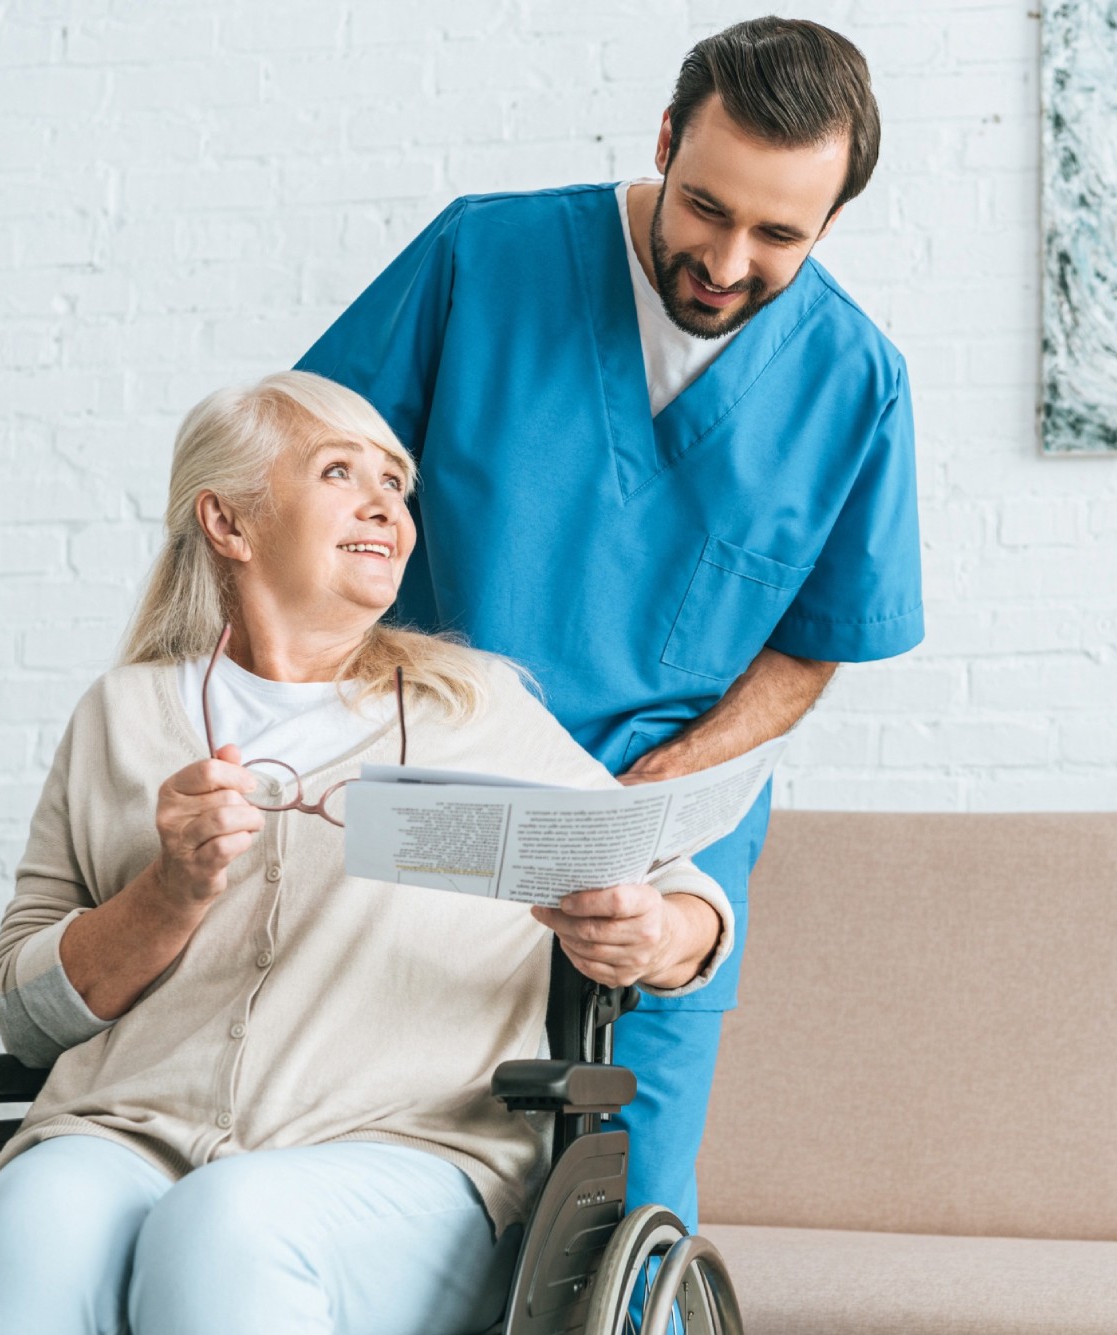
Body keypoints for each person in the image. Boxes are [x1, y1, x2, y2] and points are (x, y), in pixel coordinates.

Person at [0, 371, 735, 1335]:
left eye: (395, 483)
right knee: (29, 1230)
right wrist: (169, 893)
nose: (384, 504)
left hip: (411, 1152)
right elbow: (22, 1009)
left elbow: (672, 887)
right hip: (127, 1131)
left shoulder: (471, 709)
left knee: (228, 1224)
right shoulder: (123, 716)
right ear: (228, 520)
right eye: (340, 472)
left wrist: (659, 934)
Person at [296, 16, 924, 1230]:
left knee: (620, 1206)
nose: (728, 260)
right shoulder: (485, 258)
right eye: (705, 206)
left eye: (779, 233)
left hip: (662, 830)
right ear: (662, 143)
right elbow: (314, 481)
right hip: (435, 781)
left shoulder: (855, 379)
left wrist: (660, 787)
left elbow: (809, 644)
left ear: (832, 221)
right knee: (363, 1159)